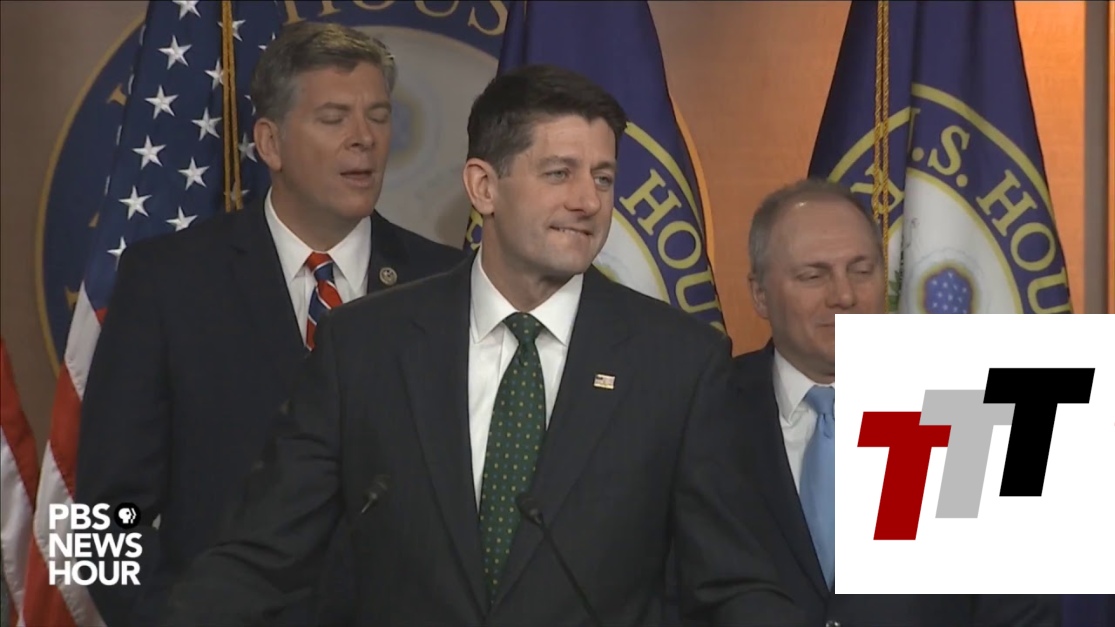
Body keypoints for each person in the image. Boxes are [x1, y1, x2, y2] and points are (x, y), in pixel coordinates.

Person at [158, 63, 803, 627]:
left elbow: (735, 584)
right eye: (559, 173)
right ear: (483, 187)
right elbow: (259, 557)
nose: (588, 201)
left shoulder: (678, 363)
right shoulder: (365, 347)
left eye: (604, 178)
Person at [75, 22, 466, 627]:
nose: (364, 138)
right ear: (271, 143)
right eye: (333, 118)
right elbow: (103, 518)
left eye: (379, 116)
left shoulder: (446, 284)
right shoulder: (168, 282)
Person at [732, 178, 1062, 626]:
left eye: (862, 271)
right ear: (760, 294)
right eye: (814, 276)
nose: (844, 295)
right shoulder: (706, 410)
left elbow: (1023, 610)